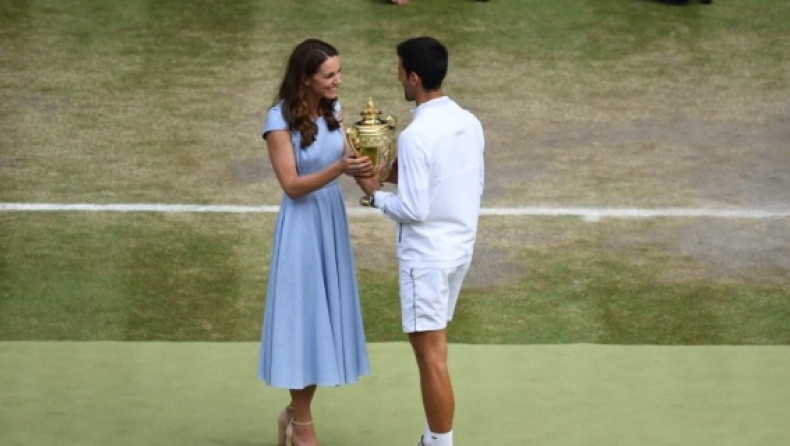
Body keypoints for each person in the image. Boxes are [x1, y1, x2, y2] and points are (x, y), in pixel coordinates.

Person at [356, 36, 485, 446]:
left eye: (399, 70)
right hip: (458, 251)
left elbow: (413, 209)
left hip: (426, 260)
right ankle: (433, 439)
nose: (397, 76)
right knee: (436, 355)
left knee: (431, 361)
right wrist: (394, 172)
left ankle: (439, 443)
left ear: (414, 77)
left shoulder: (416, 136)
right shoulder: (468, 121)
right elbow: (457, 177)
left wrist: (373, 194)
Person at [257, 38, 373, 446]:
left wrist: (371, 162)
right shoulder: (278, 122)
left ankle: (293, 414)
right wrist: (340, 167)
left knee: (323, 324)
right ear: (305, 79)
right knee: (304, 322)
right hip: (302, 230)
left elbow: (362, 171)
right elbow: (291, 185)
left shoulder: (334, 111)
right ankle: (303, 429)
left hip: (330, 225)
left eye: (339, 72)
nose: (338, 80)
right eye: (329, 75)